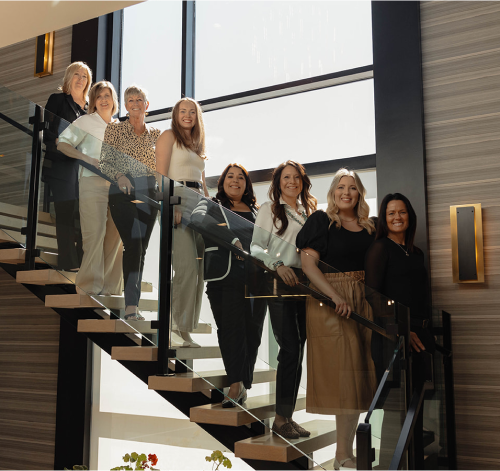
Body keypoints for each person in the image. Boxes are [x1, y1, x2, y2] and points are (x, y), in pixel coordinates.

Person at [297, 168, 377, 470]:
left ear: (359, 194)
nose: (347, 192)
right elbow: (308, 265)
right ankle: (342, 454)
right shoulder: (321, 221)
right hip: (332, 301)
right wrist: (335, 296)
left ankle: (346, 453)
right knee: (344, 378)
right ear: (333, 192)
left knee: (357, 379)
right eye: (341, 187)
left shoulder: (370, 226)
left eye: (353, 188)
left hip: (363, 301)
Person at [365, 193, 435, 470]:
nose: (397, 217)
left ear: (410, 216)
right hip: (392, 336)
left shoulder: (416, 252)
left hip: (421, 335)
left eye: (402, 212)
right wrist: (401, 331)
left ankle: (413, 462)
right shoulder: (380, 248)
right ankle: (389, 466)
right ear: (384, 218)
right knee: (396, 412)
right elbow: (373, 296)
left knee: (419, 406)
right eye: (391, 213)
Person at [190, 164, 267, 407]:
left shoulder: (256, 211)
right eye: (230, 177)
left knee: (252, 332)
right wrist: (232, 241)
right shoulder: (211, 204)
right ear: (222, 181)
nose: (236, 181)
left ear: (247, 183)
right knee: (231, 330)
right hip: (225, 278)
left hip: (256, 278)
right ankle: (235, 385)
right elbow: (197, 221)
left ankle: (244, 383)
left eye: (241, 177)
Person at [251, 160, 317, 439]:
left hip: (304, 283)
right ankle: (279, 419)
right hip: (278, 282)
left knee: (298, 349)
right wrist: (277, 264)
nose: (292, 182)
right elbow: (255, 246)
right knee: (289, 347)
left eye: (297, 177)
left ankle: (287, 417)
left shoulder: (310, 212)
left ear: (303, 182)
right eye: (286, 178)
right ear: (278, 183)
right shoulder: (270, 210)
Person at [100, 85, 161, 320]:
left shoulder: (157, 135)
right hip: (122, 192)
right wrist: (119, 175)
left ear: (147, 105)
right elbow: (104, 162)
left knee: (141, 249)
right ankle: (131, 307)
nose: (135, 103)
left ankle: (132, 305)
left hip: (149, 193)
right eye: (130, 100)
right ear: (125, 106)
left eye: (140, 99)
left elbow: (162, 169)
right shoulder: (114, 131)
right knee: (134, 243)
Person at [57, 81, 123, 296]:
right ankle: (88, 288)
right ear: (94, 101)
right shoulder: (86, 121)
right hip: (91, 182)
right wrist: (86, 158)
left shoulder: (120, 127)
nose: (104, 100)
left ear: (114, 100)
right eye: (99, 96)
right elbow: (62, 142)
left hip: (117, 187)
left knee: (115, 237)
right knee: (94, 233)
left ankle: (111, 289)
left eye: (108, 95)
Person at [156, 97, 209, 347]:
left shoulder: (197, 144)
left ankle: (185, 328)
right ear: (175, 115)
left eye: (192, 112)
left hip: (199, 203)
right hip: (177, 199)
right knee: (186, 267)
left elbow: (203, 182)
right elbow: (161, 173)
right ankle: (175, 327)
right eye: (183, 111)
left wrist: (210, 208)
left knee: (198, 271)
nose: (187, 115)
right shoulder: (168, 136)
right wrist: (171, 203)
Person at [44, 61, 92, 270]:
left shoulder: (91, 109)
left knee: (84, 215)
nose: (81, 79)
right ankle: (68, 261)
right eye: (77, 75)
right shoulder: (58, 100)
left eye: (85, 77)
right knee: (65, 213)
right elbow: (47, 132)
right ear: (69, 77)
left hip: (85, 170)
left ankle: (83, 261)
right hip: (62, 164)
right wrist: (64, 146)